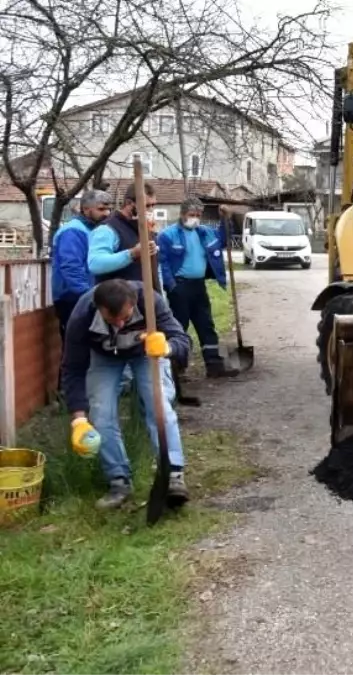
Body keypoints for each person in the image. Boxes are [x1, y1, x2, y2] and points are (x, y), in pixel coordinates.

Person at [61, 279, 192, 509]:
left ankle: (173, 474)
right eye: (112, 320)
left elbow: (183, 341)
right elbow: (73, 368)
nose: (120, 325)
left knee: (158, 404)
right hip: (104, 357)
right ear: (98, 307)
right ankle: (118, 481)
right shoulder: (82, 315)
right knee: (101, 415)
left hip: (146, 352)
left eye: (125, 318)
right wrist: (78, 419)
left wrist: (167, 348)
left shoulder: (150, 302)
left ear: (133, 303)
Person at [158, 197, 238, 379]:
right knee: (178, 328)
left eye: (198, 215)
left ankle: (214, 365)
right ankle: (177, 369)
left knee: (206, 325)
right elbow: (163, 263)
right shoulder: (168, 235)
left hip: (198, 286)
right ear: (182, 214)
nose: (195, 218)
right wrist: (171, 286)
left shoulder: (204, 233)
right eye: (191, 215)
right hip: (179, 287)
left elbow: (223, 238)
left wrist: (226, 219)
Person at [50, 190, 113, 341]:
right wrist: (89, 297)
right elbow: (72, 268)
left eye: (108, 209)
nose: (107, 213)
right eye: (101, 209)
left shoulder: (94, 230)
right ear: (85, 209)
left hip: (88, 295)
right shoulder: (73, 231)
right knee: (76, 346)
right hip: (74, 298)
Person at [88, 182, 160, 286]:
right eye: (147, 206)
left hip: (144, 296)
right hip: (116, 297)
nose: (151, 210)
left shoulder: (145, 227)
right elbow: (95, 264)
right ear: (129, 203)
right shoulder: (108, 229)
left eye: (153, 205)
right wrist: (132, 254)